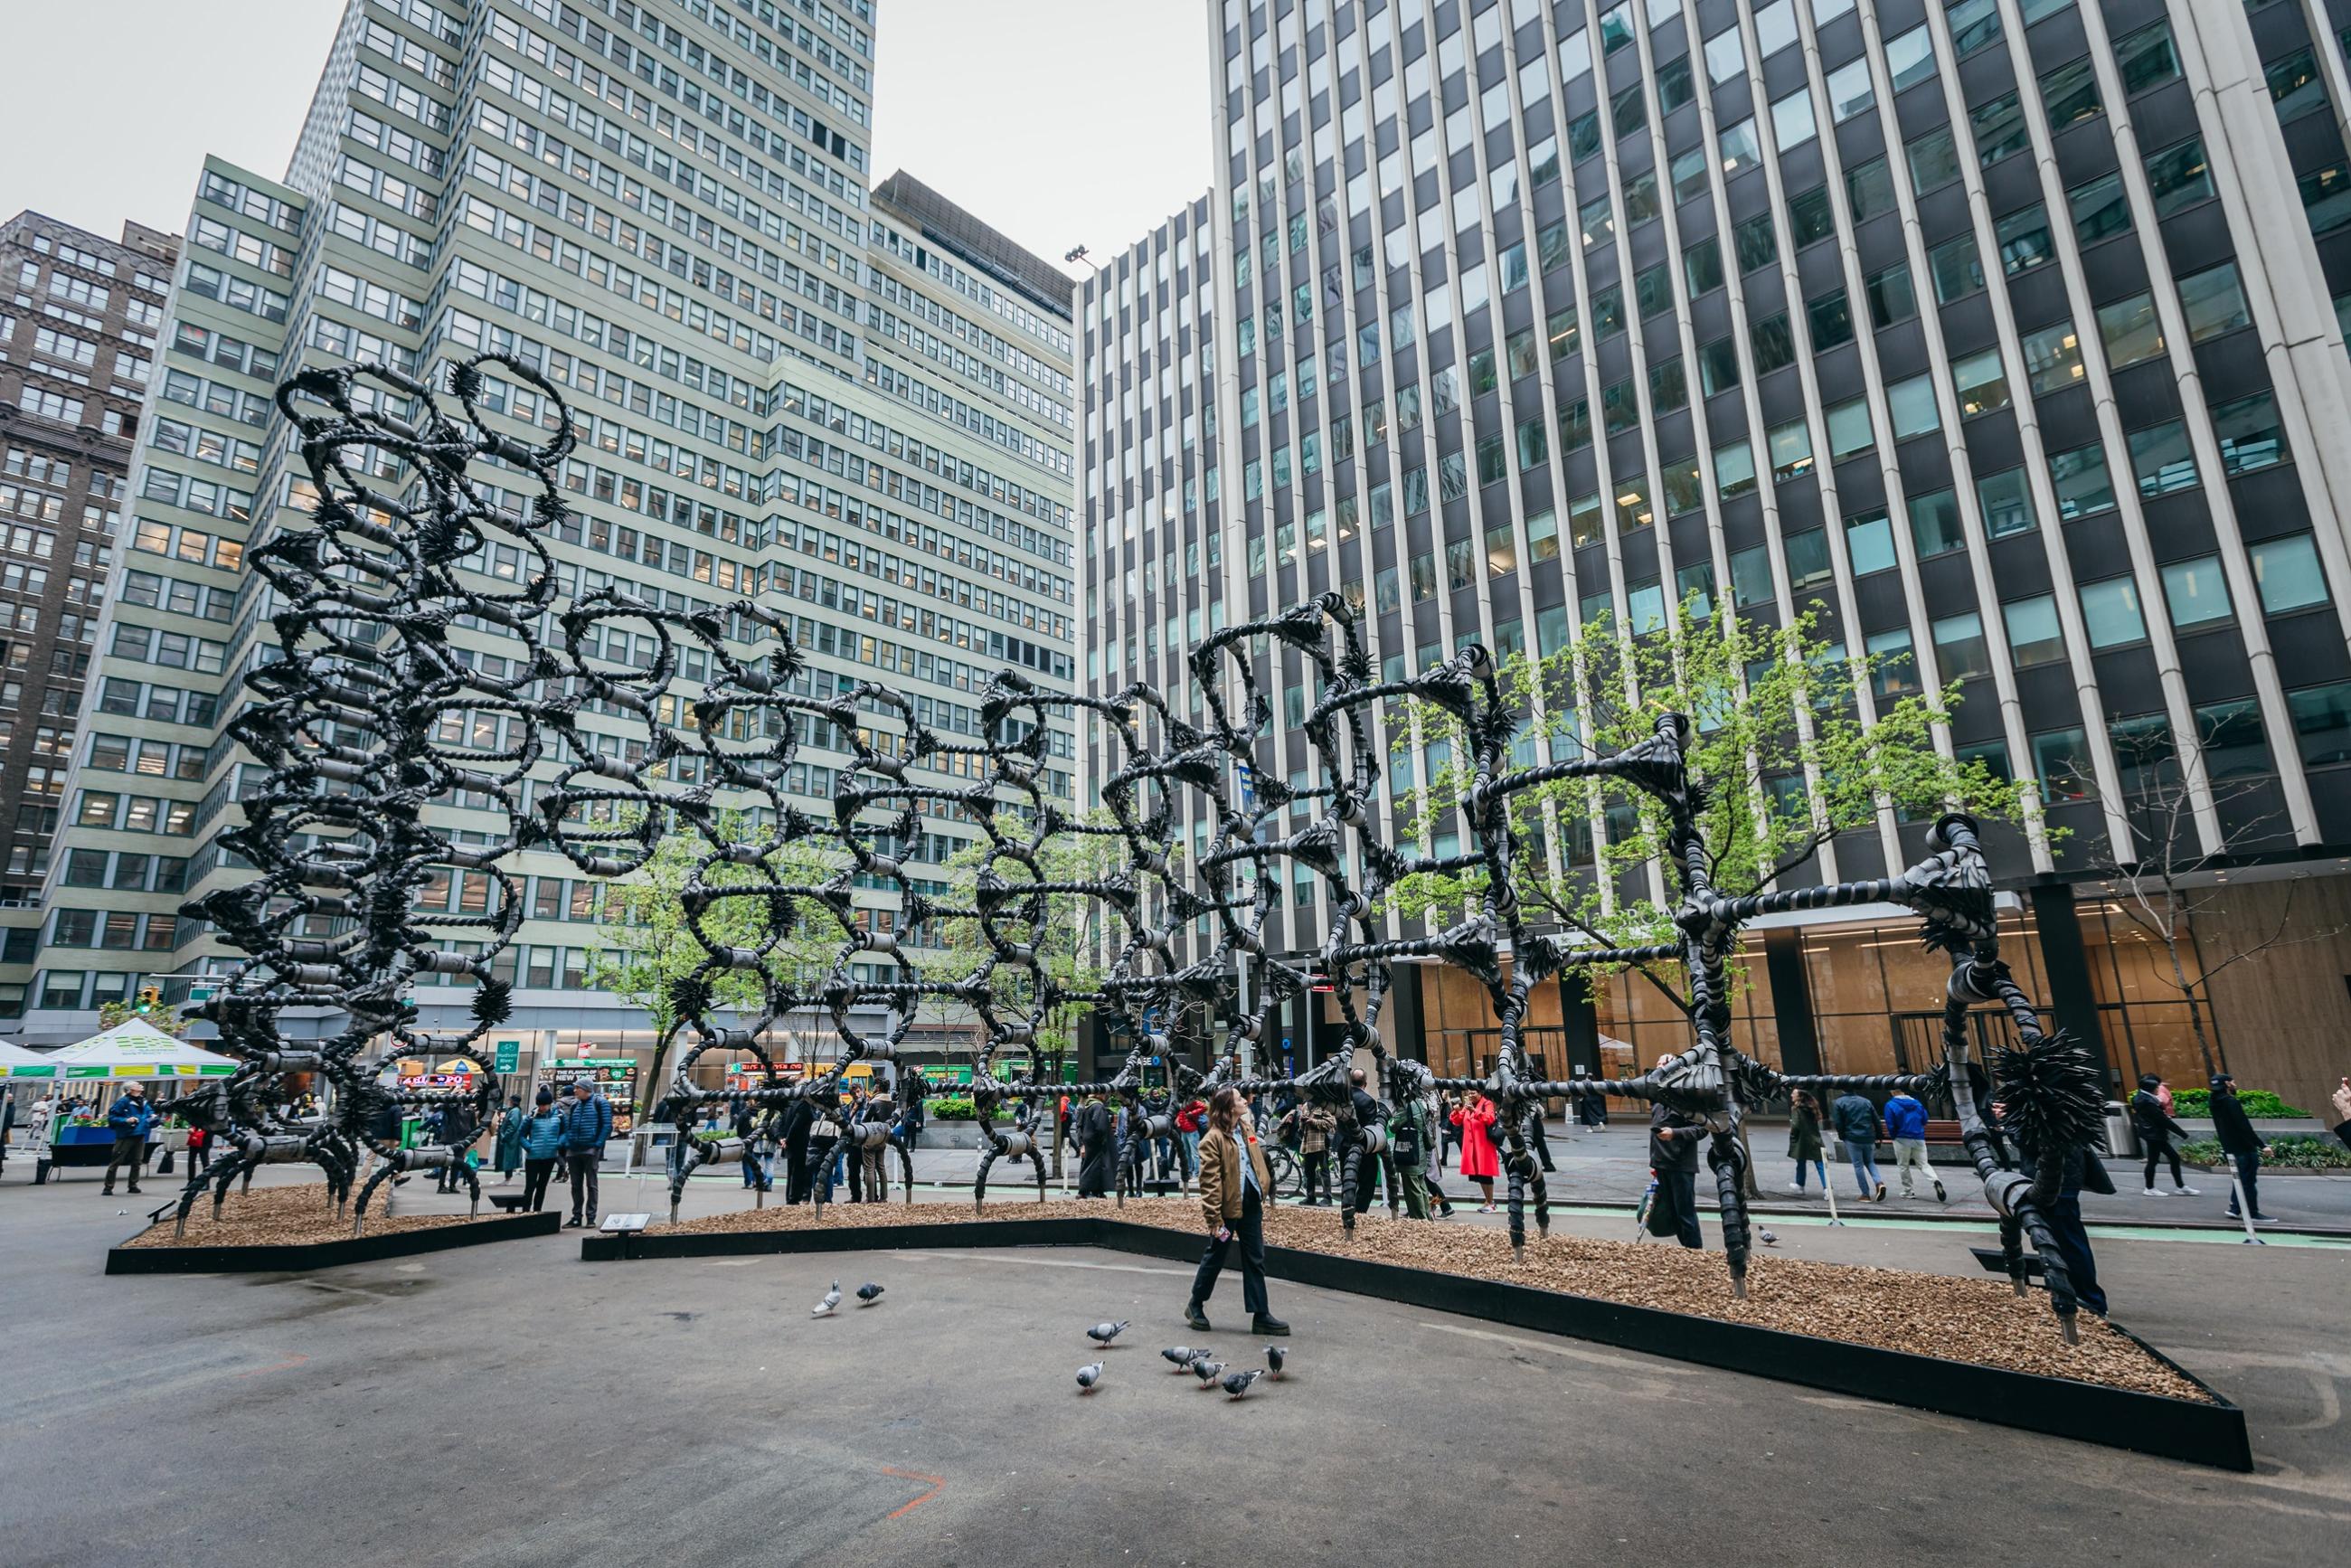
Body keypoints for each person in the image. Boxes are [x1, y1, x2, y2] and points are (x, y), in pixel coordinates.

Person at [1184, 1086, 1289, 1336]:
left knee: (1255, 1257)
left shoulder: (1246, 1128)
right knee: (1216, 1254)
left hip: (1251, 1204)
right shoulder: (1213, 1139)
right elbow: (1209, 1182)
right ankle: (1195, 1304)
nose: (1245, 1100)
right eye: (1240, 1099)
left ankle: (1261, 1314)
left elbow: (1256, 1160)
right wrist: (1213, 1218)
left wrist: (1264, 1186)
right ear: (1229, 1107)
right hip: (1228, 1210)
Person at [2209, 1073, 2273, 1223]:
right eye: (2232, 1082)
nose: (2235, 1084)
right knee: (2248, 1181)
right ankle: (2252, 1212)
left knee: (2240, 1179)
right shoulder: (2231, 1102)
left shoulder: (2213, 1101)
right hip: (2244, 1147)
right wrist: (2262, 1146)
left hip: (2229, 1146)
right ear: (2227, 1084)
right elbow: (2244, 1126)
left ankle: (2235, 1208)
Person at [1645, 1100, 1707, 1249]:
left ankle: (1694, 1251)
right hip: (1661, 1163)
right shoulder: (1659, 1104)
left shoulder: (1688, 1102)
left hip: (1680, 1165)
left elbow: (1702, 1129)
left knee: (1684, 1213)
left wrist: (1675, 1133)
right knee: (1674, 1213)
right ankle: (1689, 1250)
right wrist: (1655, 1163)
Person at [2129, 1073, 2197, 1197]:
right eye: (2156, 1088)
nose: (2158, 1090)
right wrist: (2182, 1134)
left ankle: (2177, 1186)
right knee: (2161, 1160)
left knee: (2162, 1160)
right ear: (2150, 1089)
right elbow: (2162, 1120)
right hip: (2154, 1134)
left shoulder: (2142, 1098)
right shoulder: (2148, 1101)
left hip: (2152, 1134)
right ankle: (2153, 1188)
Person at [561, 1079, 612, 1228]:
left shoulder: (600, 1103)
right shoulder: (575, 1104)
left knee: (591, 1184)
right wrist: (568, 1142)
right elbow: (568, 1124)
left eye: (578, 1088)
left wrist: (597, 1145)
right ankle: (577, 1216)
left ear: (586, 1089)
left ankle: (590, 1217)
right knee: (575, 1185)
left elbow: (607, 1125)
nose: (575, 1091)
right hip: (574, 1148)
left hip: (590, 1148)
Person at [1883, 1087, 1944, 1201]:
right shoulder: (1916, 1103)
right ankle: (1935, 1180)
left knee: (1903, 1165)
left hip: (1901, 1138)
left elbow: (1890, 1124)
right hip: (1918, 1137)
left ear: (1892, 1091)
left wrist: (1894, 1136)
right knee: (1923, 1164)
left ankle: (1908, 1190)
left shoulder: (1890, 1105)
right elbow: (1925, 1119)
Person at [1829, 1090, 1887, 1202]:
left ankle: (1865, 1194)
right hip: (1868, 1136)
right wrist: (1879, 1136)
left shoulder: (1838, 1102)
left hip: (1852, 1137)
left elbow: (1838, 1123)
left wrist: (1842, 1136)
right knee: (1870, 1162)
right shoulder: (1866, 1101)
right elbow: (1876, 1120)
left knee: (1858, 1165)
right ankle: (1879, 1183)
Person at [1450, 1088, 1500, 1211]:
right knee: (1479, 1175)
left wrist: (1475, 1111)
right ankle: (1488, 1201)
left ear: (1480, 1093)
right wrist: (1456, 1111)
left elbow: (1489, 1119)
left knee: (1486, 1174)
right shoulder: (1468, 1106)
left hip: (1484, 1146)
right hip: (1472, 1147)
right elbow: (1457, 1121)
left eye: (1473, 1093)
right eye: (1469, 1093)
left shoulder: (1486, 1104)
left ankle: (1491, 1202)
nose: (1470, 1095)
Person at [102, 1083, 156, 1196]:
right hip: (126, 1135)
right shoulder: (123, 1101)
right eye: (137, 1085)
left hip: (140, 1134)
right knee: (116, 1161)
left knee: (137, 1161)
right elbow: (112, 1117)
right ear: (131, 1089)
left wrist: (153, 1117)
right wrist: (127, 1120)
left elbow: (149, 1112)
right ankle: (108, 1187)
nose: (140, 1086)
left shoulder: (143, 1101)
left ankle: (133, 1185)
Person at [1388, 1089, 1433, 1219]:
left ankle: (1420, 1219)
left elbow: (1393, 1125)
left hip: (1409, 1153)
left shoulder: (1406, 1107)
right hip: (1420, 1154)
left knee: (1413, 1189)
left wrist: (1392, 1117)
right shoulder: (1420, 1103)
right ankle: (1427, 1217)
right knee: (1422, 1186)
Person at [519, 1089, 565, 1212]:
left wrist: (559, 1143)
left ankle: (537, 1211)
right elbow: (521, 1135)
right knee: (530, 1186)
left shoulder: (559, 1115)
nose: (542, 1107)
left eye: (544, 1105)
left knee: (542, 1186)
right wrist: (529, 1147)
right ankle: (525, 1211)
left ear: (550, 1104)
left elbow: (565, 1132)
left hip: (550, 1156)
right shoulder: (531, 1117)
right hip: (533, 1156)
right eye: (539, 1105)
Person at [1281, 1099, 1335, 1204]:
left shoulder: (1324, 1105)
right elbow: (1301, 1128)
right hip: (1307, 1144)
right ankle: (1310, 1197)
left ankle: (1327, 1198)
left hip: (1321, 1143)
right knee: (1309, 1172)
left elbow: (1330, 1123)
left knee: (1324, 1171)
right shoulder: (1305, 1106)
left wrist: (1313, 1121)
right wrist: (1302, 1122)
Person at [1786, 1089, 1828, 1194]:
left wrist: (1792, 1134)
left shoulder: (1796, 1109)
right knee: (1820, 1164)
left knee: (1800, 1162)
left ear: (1800, 1097)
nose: (1791, 1095)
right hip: (1815, 1139)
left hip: (1802, 1140)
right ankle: (1827, 1189)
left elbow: (1795, 1125)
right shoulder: (1812, 1108)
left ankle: (1800, 1185)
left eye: (1794, 1094)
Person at [1073, 1091, 1114, 1198]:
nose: (1106, 1095)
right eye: (1104, 1093)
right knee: (1094, 1165)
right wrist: (1103, 1138)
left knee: (1089, 1164)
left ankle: (1094, 1190)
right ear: (1099, 1094)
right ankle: (1085, 1190)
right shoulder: (1098, 1107)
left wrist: (1081, 1143)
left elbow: (1080, 1125)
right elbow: (1100, 1126)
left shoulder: (1087, 1105)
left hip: (1088, 1139)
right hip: (1096, 1141)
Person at [779, 1094, 814, 1204]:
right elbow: (796, 1125)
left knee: (791, 1172)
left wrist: (782, 1138)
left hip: (790, 1144)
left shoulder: (790, 1104)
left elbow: (782, 1122)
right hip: (801, 1143)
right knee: (799, 1172)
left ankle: (790, 1197)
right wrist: (788, 1139)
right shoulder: (804, 1106)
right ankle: (794, 1197)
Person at [25, 1091, 57, 1185]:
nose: (44, 1099)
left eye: (45, 1098)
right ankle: (32, 1134)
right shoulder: (37, 1104)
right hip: (38, 1115)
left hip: (42, 1115)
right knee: (35, 1126)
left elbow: (48, 1109)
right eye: (43, 1098)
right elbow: (34, 1109)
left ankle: (36, 1135)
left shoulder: (46, 1104)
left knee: (39, 1126)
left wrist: (45, 1112)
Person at [493, 1095, 524, 1184]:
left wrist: (505, 1136)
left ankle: (508, 1178)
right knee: (509, 1159)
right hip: (512, 1139)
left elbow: (512, 1126)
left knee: (509, 1159)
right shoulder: (515, 1111)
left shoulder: (514, 1111)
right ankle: (507, 1178)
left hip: (511, 1139)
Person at [1174, 1094, 1206, 1182]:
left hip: (1191, 1130)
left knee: (1194, 1154)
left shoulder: (1193, 1101)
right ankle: (1190, 1173)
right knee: (1188, 1154)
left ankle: (1196, 1174)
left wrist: (1192, 1113)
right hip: (1185, 1130)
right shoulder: (1185, 1101)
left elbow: (1204, 1107)